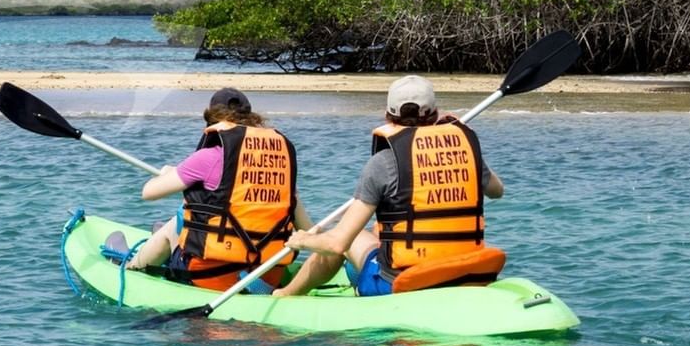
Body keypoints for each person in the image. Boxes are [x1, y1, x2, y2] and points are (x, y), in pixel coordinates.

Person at [273, 75, 506, 298]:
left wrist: (302, 240)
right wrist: (468, 149)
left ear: (387, 117)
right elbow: (497, 191)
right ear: (435, 114)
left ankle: (285, 295)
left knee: (347, 236)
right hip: (463, 271)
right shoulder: (464, 151)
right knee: (375, 232)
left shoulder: (383, 162)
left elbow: (337, 244)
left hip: (400, 282)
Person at [124, 87, 337, 292]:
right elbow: (306, 227)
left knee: (178, 219)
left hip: (211, 277)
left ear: (213, 121)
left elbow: (148, 192)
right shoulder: (280, 164)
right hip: (266, 277)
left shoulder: (208, 156)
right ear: (252, 119)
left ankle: (133, 268)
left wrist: (170, 172)